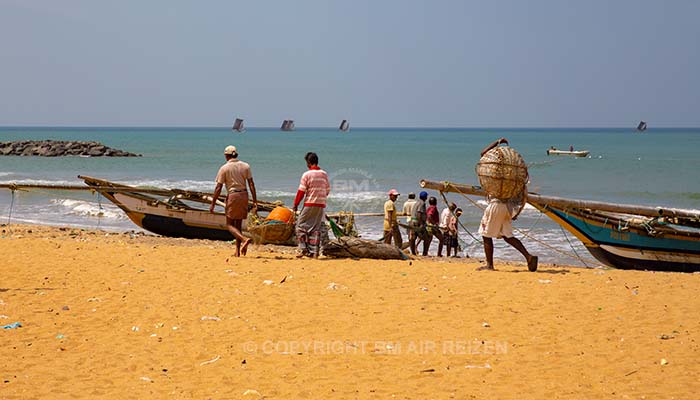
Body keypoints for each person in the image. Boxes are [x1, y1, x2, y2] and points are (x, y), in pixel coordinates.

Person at [477, 138, 538, 271]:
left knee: (486, 234)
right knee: (507, 236)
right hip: (506, 207)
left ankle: (489, 265)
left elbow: (483, 153)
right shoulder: (510, 179)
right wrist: (517, 211)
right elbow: (522, 192)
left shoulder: (495, 177)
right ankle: (528, 256)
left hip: (495, 205)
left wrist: (497, 142)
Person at [210, 145, 257, 257]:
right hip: (244, 194)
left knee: (229, 224)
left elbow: (218, 187)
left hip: (233, 195)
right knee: (238, 224)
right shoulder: (245, 166)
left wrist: (213, 203)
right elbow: (251, 184)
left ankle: (244, 239)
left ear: (226, 155)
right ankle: (237, 251)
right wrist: (254, 200)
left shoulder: (224, 168)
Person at [293, 152, 331, 258]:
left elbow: (301, 191)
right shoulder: (324, 174)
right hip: (321, 204)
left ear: (308, 162)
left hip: (310, 203)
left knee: (300, 226)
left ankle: (303, 249)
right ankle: (314, 251)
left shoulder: (307, 174)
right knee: (315, 227)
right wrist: (321, 198)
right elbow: (327, 189)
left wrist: (296, 204)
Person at [409, 191, 428, 256]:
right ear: (425, 197)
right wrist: (421, 223)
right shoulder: (422, 203)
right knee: (426, 238)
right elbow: (419, 213)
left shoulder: (416, 202)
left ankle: (413, 253)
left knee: (413, 238)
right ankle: (424, 253)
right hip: (417, 223)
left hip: (412, 221)